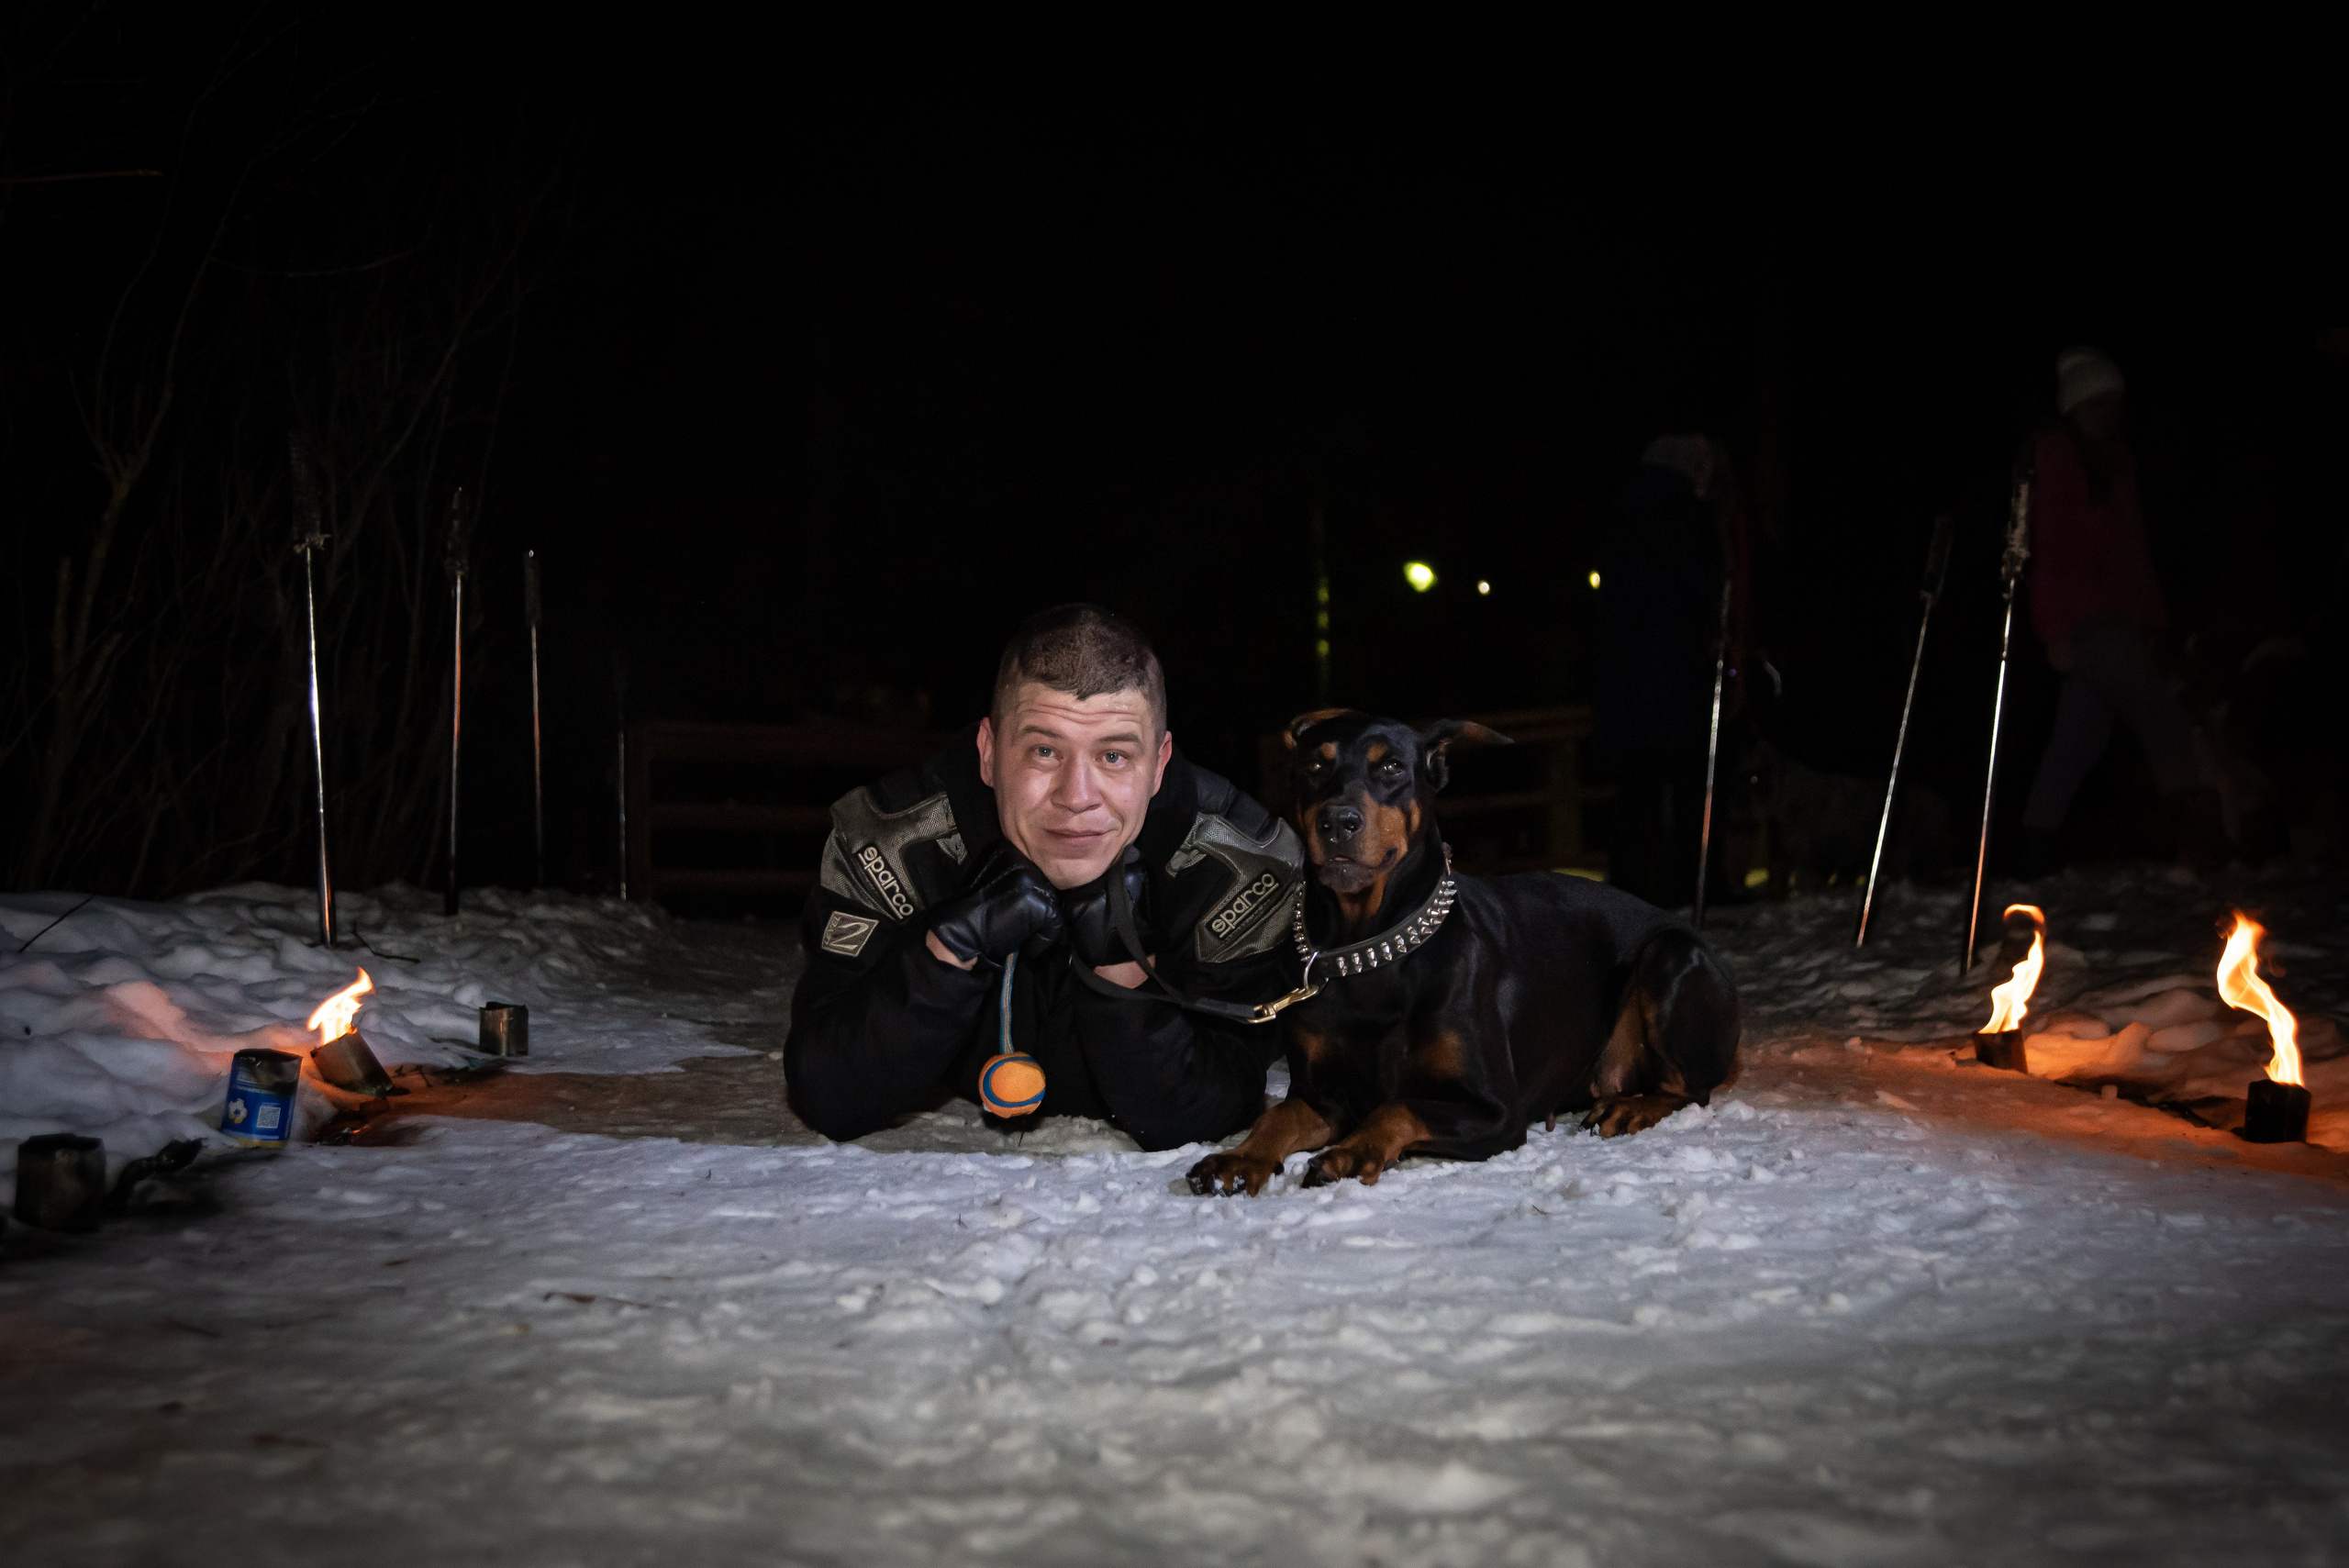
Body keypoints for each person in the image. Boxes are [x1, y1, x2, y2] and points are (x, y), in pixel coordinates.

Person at [784, 605, 1302, 1149]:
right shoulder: (892, 842)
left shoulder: (1237, 865)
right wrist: (947, 952)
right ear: (988, 753)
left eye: (1114, 756)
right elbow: (829, 1095)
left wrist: (1120, 961)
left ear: (1159, 763)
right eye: (1044, 750)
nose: (1076, 797)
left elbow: (1208, 1109)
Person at [2016, 347, 2225, 872]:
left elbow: (2133, 546)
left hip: (2120, 620)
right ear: (2075, 408)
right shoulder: (2055, 454)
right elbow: (2047, 544)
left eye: (2115, 402)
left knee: (2077, 741)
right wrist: (2054, 630)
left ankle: (2031, 853)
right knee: (2162, 715)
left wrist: (2153, 618)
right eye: (2098, 403)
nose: (2109, 413)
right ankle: (2203, 845)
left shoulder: (2117, 460)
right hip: (2085, 623)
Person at [1597, 435, 1746, 907]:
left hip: (1627, 680)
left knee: (1637, 792)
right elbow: (1703, 585)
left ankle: (1629, 888)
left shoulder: (1621, 512)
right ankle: (1698, 885)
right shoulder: (1687, 512)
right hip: (1679, 677)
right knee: (1692, 786)